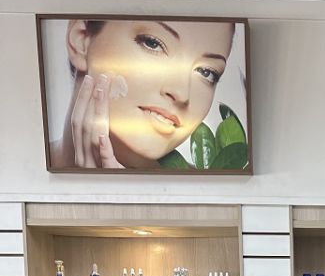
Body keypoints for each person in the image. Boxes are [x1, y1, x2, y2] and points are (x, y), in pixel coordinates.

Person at [49, 18, 237, 169]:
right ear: (81, 39)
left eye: (207, 72)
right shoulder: (30, 169)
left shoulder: (211, 194)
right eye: (153, 43)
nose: (182, 93)